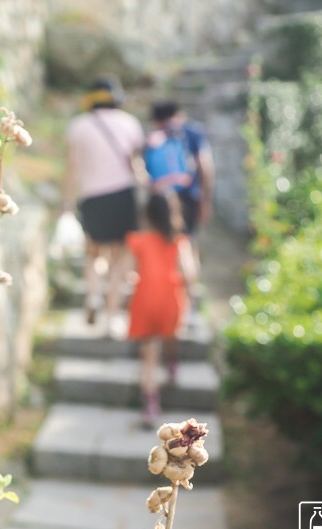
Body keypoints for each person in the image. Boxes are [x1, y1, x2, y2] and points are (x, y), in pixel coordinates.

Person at [62, 76, 145, 329]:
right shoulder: (130, 124)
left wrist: (66, 203)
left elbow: (72, 170)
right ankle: (111, 318)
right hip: (122, 196)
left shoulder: (77, 126)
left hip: (91, 197)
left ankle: (94, 294)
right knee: (121, 258)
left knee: (93, 253)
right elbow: (135, 165)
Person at [126, 193, 196, 427]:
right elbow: (189, 273)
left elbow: (129, 272)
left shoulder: (138, 241)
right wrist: (190, 294)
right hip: (170, 300)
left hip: (144, 300)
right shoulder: (179, 241)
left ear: (147, 214)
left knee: (148, 357)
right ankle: (173, 363)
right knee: (171, 335)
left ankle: (151, 405)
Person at [145, 100, 215, 278]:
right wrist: (205, 201)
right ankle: (190, 297)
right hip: (188, 196)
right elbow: (205, 167)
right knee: (187, 243)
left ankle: (168, 291)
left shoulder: (154, 137)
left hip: (160, 199)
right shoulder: (192, 132)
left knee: (165, 244)